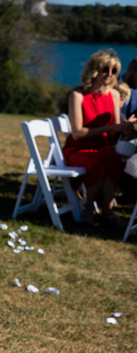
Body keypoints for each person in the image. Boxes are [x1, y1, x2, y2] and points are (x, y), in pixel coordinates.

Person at [63, 49, 134, 227]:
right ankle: (90, 210)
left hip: (102, 147)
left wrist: (126, 130)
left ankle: (106, 211)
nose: (109, 75)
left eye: (114, 71)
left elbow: (114, 133)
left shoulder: (114, 94)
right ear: (95, 70)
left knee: (112, 158)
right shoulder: (77, 96)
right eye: (105, 69)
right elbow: (78, 133)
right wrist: (111, 126)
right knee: (102, 160)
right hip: (79, 148)